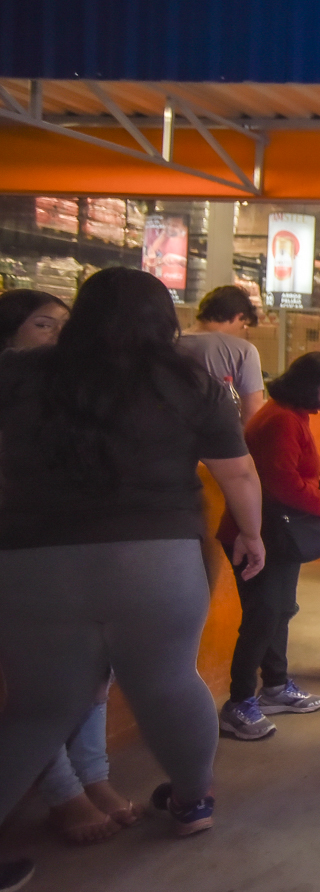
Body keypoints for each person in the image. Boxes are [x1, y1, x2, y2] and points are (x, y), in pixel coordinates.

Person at [0, 267, 266, 843]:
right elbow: (239, 472)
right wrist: (252, 533)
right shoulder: (189, 382)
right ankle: (193, 801)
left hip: (32, 562)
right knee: (169, 684)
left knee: (39, 709)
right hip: (156, 558)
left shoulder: (17, 374)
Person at [0, 290, 141, 845]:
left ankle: (93, 776)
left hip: (74, 546)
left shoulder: (72, 392)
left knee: (92, 671)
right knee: (46, 681)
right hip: (24, 550)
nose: (58, 335)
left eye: (65, 324)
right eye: (43, 324)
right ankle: (64, 793)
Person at [216, 351, 320, 741]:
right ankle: (239, 703)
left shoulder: (290, 415)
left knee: (279, 611)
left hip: (276, 534)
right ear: (313, 384)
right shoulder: (282, 420)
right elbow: (279, 481)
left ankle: (275, 686)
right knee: (263, 616)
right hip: (259, 534)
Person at [177, 285, 264, 424]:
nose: (240, 331)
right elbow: (252, 414)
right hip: (220, 434)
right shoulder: (244, 351)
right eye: (242, 326)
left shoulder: (170, 342)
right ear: (237, 317)